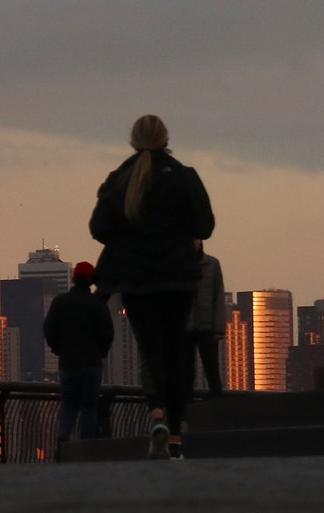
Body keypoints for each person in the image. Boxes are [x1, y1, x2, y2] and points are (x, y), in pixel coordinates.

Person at [89, 114, 215, 460]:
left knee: (151, 351)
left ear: (133, 139)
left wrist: (131, 237)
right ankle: (175, 435)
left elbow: (98, 228)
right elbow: (206, 224)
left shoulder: (120, 179)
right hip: (178, 278)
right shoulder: (185, 177)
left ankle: (155, 413)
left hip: (137, 280)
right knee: (176, 353)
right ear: (165, 138)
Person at [43, 261, 115, 447]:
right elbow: (108, 333)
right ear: (91, 280)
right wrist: (100, 353)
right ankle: (86, 447)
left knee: (69, 404)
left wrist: (57, 349)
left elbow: (49, 329)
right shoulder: (97, 305)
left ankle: (64, 437)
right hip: (92, 364)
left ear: (73, 278)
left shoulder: (60, 302)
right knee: (89, 407)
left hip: (68, 363)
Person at [186, 242, 227, 397]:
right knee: (186, 374)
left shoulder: (212, 264)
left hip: (207, 328)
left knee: (212, 372)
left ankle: (217, 410)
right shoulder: (178, 265)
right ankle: (186, 414)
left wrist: (219, 329)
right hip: (185, 328)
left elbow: (219, 297)